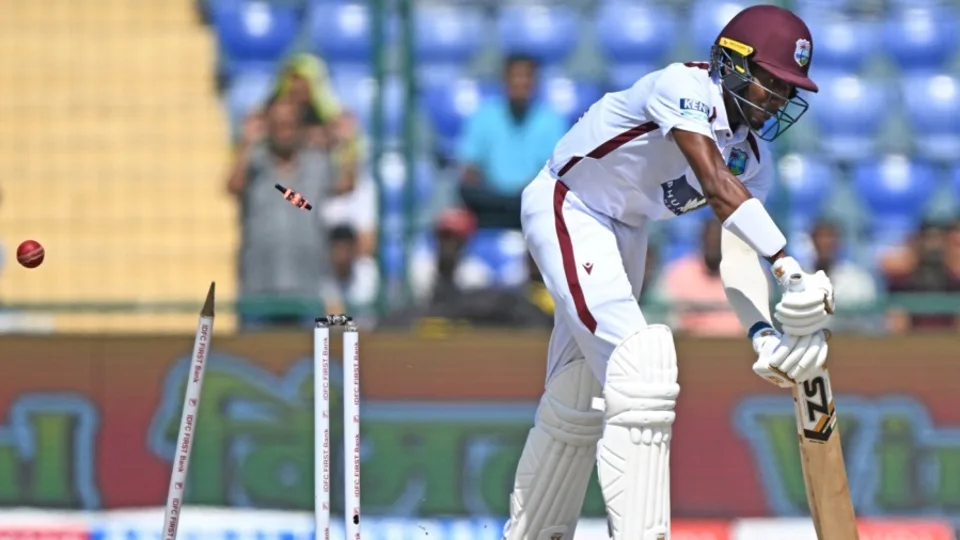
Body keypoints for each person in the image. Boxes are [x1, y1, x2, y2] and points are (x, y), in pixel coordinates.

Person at [502, 6, 835, 540]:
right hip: (571, 203)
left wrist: (761, 332)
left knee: (582, 388)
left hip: (626, 231)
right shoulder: (684, 88)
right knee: (641, 368)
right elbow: (714, 182)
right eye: (771, 81)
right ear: (731, 64)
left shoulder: (753, 159)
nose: (777, 99)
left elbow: (736, 252)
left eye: (786, 89)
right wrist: (788, 265)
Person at [227, 97, 342, 329]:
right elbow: (232, 186)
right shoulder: (255, 163)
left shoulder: (316, 163)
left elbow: (345, 185)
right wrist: (246, 144)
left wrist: (347, 144)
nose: (284, 132)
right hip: (259, 287)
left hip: (306, 287)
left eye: (290, 125)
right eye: (278, 125)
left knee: (310, 352)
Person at [457, 53, 567, 231]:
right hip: (488, 205)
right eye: (515, 76)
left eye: (526, 77)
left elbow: (553, 170)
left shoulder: (551, 120)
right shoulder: (483, 115)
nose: (520, 83)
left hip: (531, 206)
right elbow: (470, 167)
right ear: (504, 80)